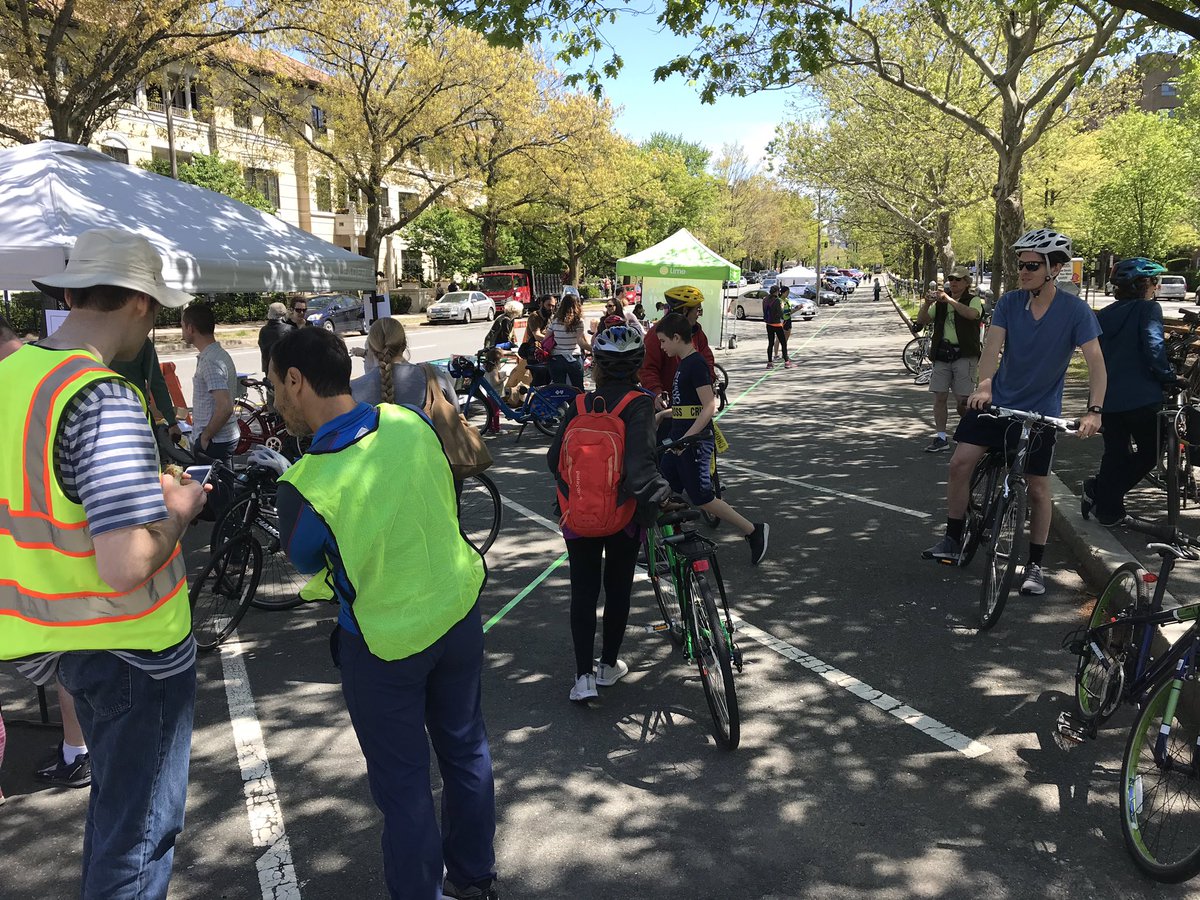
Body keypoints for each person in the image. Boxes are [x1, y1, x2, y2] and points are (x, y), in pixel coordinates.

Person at [0, 227, 206, 897]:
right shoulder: (101, 396)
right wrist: (180, 508)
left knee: (117, 822)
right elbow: (125, 563)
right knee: (139, 837)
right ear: (142, 304)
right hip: (133, 647)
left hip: (53, 640)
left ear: (69, 291)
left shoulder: (13, 377)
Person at [269, 327, 496, 900]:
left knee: (404, 787)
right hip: (458, 613)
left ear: (296, 381)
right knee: (466, 750)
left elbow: (302, 558)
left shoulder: (306, 484)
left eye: (275, 386)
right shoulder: (409, 422)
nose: (274, 399)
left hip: (383, 645)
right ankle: (474, 876)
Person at [922, 229, 1105, 596]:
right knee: (959, 463)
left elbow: (1097, 363)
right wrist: (985, 384)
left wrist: (1094, 411)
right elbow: (991, 347)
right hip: (997, 401)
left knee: (1038, 488)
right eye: (1020, 264)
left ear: (1054, 269)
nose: (1023, 271)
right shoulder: (1009, 302)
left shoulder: (1075, 312)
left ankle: (1035, 566)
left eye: (1031, 265)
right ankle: (953, 537)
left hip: (1041, 412)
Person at [547, 326, 670, 702]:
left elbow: (555, 460)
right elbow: (639, 468)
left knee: (583, 592)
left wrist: (575, 494)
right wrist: (664, 497)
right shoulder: (640, 403)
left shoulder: (580, 404)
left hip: (579, 513)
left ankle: (582, 677)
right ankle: (608, 667)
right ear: (636, 366)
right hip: (623, 516)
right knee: (617, 590)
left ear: (596, 365)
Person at [655, 312, 769, 565]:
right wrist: (665, 413)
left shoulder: (694, 364)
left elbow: (710, 406)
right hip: (679, 441)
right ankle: (674, 544)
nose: (661, 347)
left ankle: (753, 530)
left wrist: (688, 438)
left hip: (692, 443)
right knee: (664, 488)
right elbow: (689, 407)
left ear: (676, 337)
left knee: (702, 497)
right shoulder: (683, 363)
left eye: (663, 341)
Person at [1083, 257, 1179, 526]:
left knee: (1115, 453)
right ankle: (1100, 493)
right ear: (1142, 284)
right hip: (1141, 397)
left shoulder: (1104, 315)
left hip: (1108, 398)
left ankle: (1108, 510)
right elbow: (1154, 346)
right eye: (1154, 282)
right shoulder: (1148, 309)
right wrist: (1168, 376)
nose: (1156, 287)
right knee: (1150, 452)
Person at [913, 266, 984, 453]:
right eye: (951, 279)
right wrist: (927, 303)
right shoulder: (941, 304)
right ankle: (941, 437)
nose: (954, 282)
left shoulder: (973, 300)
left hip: (964, 355)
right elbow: (922, 320)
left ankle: (968, 434)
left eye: (958, 279)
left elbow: (972, 315)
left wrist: (950, 300)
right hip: (943, 355)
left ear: (967, 282)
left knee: (963, 401)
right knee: (940, 396)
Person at [351, 316, 458, 409]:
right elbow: (456, 415)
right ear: (404, 344)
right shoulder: (432, 376)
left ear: (371, 349)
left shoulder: (354, 389)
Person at [181, 302, 240, 460]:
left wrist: (205, 437)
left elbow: (225, 407)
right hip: (222, 437)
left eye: (182, 326)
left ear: (190, 328)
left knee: (216, 485)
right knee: (224, 483)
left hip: (216, 441)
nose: (182, 331)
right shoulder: (218, 354)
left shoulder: (210, 361)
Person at [639, 285, 715, 404]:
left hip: (694, 402)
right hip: (668, 404)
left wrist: (707, 381)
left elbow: (708, 360)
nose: (698, 315)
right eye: (697, 310)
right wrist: (657, 393)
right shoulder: (656, 334)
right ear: (685, 310)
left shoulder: (697, 332)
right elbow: (648, 369)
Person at [110, 337, 182, 444]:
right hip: (137, 413)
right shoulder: (140, 340)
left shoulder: (95, 338)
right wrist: (171, 421)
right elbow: (156, 383)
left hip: (105, 415)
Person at [547, 292, 589, 389]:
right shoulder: (578, 321)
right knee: (577, 388)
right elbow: (580, 342)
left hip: (556, 358)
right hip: (573, 357)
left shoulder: (555, 320)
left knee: (559, 389)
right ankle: (576, 404)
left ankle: (561, 404)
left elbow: (546, 338)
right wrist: (592, 349)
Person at [258, 301, 294, 373]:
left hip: (269, 369)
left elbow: (262, 347)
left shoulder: (263, 330)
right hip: (285, 370)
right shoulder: (290, 329)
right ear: (284, 314)